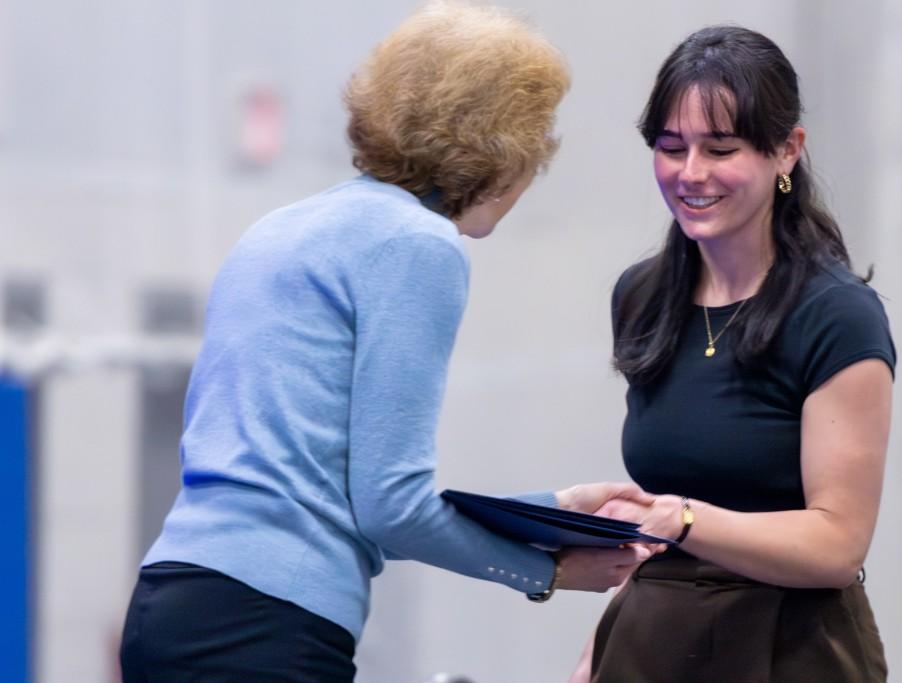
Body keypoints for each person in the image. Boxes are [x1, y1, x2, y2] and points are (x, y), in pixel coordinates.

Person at [118, 3, 654, 681]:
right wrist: (543, 568)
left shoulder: (279, 229)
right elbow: (391, 507)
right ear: (505, 149)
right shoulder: (418, 246)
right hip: (266, 624)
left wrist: (547, 513)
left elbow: (322, 494)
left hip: (171, 600)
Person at [569, 25, 896, 682]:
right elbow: (656, 528)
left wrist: (683, 518)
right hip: (655, 638)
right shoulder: (643, 295)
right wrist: (592, 656)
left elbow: (837, 544)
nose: (691, 173)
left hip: (787, 649)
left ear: (786, 151)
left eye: (720, 148)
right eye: (670, 147)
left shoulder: (836, 315)